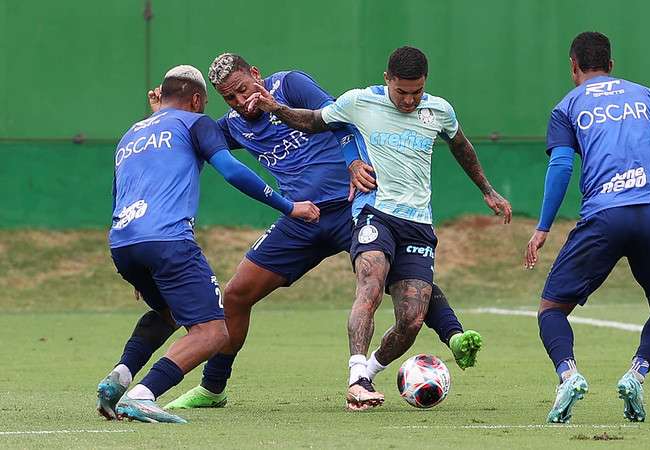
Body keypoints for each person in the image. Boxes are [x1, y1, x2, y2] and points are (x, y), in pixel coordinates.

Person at [163, 53, 484, 410]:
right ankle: (212, 388)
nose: (241, 102)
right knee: (237, 294)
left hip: (353, 206)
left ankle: (451, 333)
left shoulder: (289, 84)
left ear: (256, 74)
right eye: (229, 98)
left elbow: (339, 120)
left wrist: (353, 163)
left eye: (242, 89)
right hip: (303, 217)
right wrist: (163, 114)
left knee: (396, 277)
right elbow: (195, 137)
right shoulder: (233, 125)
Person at [242, 46, 513, 410]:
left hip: (418, 223)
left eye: (416, 92)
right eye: (402, 91)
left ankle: (368, 374)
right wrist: (276, 109)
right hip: (375, 212)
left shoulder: (440, 111)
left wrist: (488, 190)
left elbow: (461, 146)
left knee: (413, 319)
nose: (409, 99)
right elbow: (313, 121)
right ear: (388, 79)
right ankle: (355, 376)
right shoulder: (359, 102)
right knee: (369, 285)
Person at [96, 65, 319, 423]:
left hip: (123, 241)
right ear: (198, 99)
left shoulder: (130, 135)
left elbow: (118, 193)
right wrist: (288, 206)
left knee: (168, 312)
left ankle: (118, 379)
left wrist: (138, 263)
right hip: (168, 241)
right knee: (214, 332)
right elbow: (231, 171)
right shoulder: (194, 123)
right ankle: (143, 394)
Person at [523, 32, 650, 423]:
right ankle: (636, 374)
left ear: (573, 67)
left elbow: (561, 165)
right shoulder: (646, 96)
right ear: (612, 65)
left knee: (552, 309)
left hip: (604, 217)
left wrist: (543, 226)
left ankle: (568, 375)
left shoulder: (567, 106)